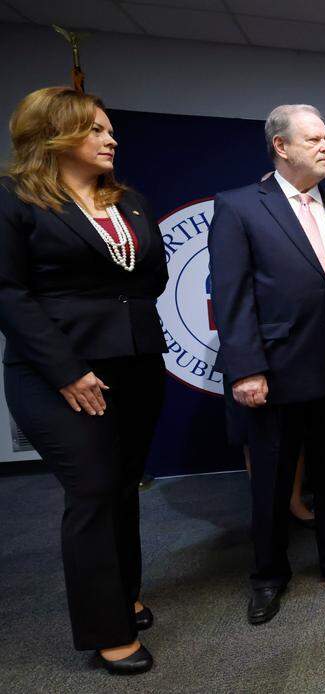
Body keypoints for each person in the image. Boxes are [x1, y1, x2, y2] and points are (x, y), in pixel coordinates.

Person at [0, 87, 167, 673]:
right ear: (54, 134)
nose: (109, 138)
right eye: (94, 128)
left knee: (123, 486)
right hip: (58, 374)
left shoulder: (130, 200)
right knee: (93, 489)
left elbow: (151, 277)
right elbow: (9, 293)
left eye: (109, 128)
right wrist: (68, 370)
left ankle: (124, 592)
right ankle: (106, 629)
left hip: (137, 365)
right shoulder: (15, 199)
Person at [209, 104, 325, 625]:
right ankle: (268, 574)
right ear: (280, 147)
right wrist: (245, 368)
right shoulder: (240, 206)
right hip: (274, 373)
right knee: (272, 480)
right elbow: (233, 296)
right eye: (313, 139)